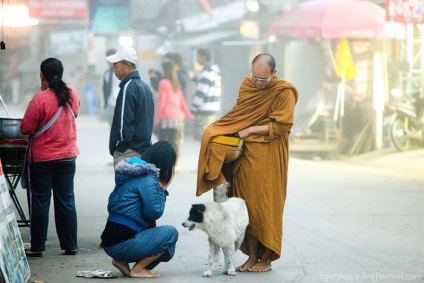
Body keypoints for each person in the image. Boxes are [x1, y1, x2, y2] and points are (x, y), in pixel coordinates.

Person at [195, 54, 298, 272]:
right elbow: (240, 114)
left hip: (269, 155)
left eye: (263, 80)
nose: (258, 83)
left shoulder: (284, 91)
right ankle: (251, 256)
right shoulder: (248, 84)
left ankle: (266, 259)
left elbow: (281, 126)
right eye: (255, 78)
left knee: (266, 205)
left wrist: (250, 129)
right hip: (246, 155)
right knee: (246, 206)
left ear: (274, 74)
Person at [20, 58, 80, 257]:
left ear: (41, 76)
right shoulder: (73, 93)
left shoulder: (40, 98)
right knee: (66, 201)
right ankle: (70, 245)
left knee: (40, 202)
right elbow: (74, 114)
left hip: (43, 159)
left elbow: (26, 128)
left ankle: (37, 247)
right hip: (67, 157)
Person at [100, 141, 178, 278]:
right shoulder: (148, 179)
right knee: (171, 234)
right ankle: (138, 269)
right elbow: (154, 212)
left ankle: (121, 261)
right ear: (164, 163)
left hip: (111, 241)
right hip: (123, 243)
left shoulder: (131, 173)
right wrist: (162, 190)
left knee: (164, 239)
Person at [106, 47, 155, 167]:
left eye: (116, 66)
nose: (114, 70)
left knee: (125, 185)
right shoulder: (144, 87)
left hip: (129, 151)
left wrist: (120, 147)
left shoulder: (128, 87)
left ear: (127, 65)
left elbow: (124, 122)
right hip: (143, 150)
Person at [155, 61, 195, 166]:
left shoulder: (163, 83)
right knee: (174, 142)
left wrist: (158, 118)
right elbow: (182, 101)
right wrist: (188, 113)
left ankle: (163, 163)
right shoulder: (176, 83)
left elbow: (161, 102)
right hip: (177, 118)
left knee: (163, 141)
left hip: (166, 118)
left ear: (165, 70)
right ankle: (174, 163)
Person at [190, 47, 222, 140]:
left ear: (203, 57)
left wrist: (193, 109)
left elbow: (201, 93)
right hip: (213, 110)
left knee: (203, 139)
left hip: (204, 111)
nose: (197, 59)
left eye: (198, 56)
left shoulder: (206, 73)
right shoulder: (215, 71)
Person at [102, 48, 121, 126]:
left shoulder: (123, 72)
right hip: (110, 104)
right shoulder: (107, 74)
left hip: (122, 104)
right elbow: (104, 90)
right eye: (108, 59)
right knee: (113, 129)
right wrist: (106, 105)